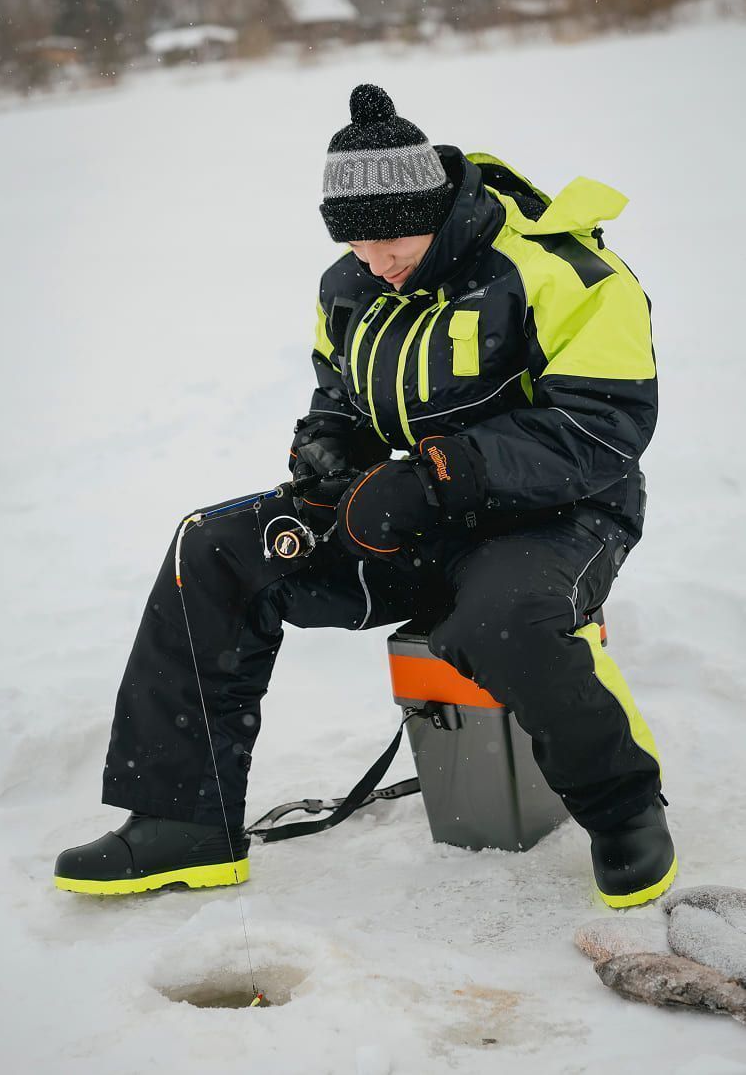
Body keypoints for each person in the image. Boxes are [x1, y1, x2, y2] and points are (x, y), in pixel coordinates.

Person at [55, 84, 676, 909]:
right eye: (355, 242)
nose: (374, 261)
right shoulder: (350, 284)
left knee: (501, 616)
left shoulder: (561, 272)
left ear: (436, 209)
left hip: (561, 514)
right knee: (213, 550)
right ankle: (183, 820)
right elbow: (340, 394)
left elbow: (604, 423)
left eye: (390, 239)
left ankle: (624, 807)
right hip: (413, 512)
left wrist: (437, 476)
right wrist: (331, 445)